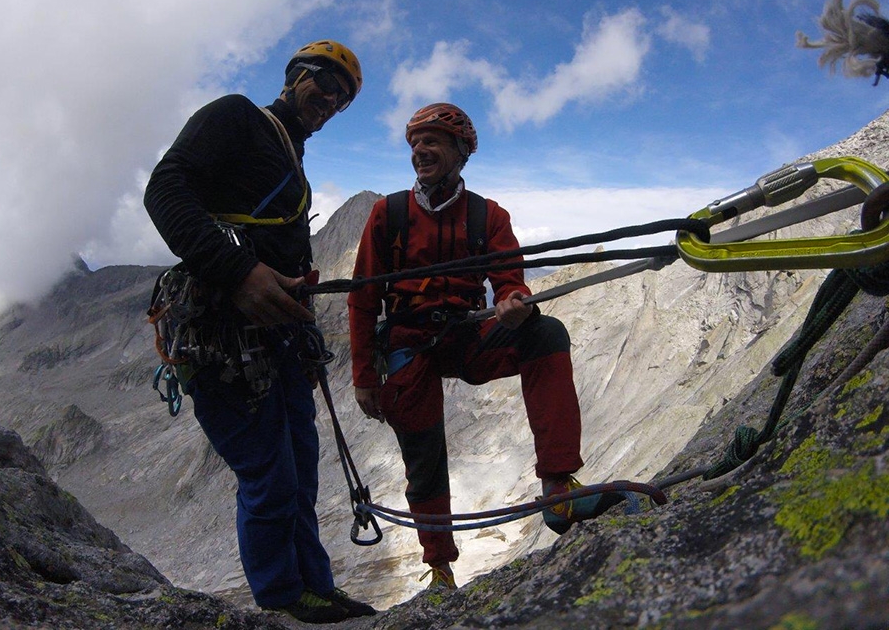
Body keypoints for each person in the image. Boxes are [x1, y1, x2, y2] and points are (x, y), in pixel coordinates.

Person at [347, 103, 626, 591]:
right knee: (424, 452)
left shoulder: (488, 216)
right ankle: (439, 567)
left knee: (545, 333)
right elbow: (363, 299)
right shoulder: (387, 214)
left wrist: (515, 302)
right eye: (415, 143)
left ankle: (558, 488)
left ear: (461, 152)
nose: (420, 151)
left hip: (466, 338)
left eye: (432, 142)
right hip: (408, 346)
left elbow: (509, 282)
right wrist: (364, 377)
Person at [144, 40, 375, 624]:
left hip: (277, 333)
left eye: (342, 99)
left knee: (297, 462)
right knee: (270, 473)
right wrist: (239, 271)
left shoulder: (288, 152)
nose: (330, 100)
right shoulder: (237, 116)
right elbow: (165, 190)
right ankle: (282, 602)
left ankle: (314, 587)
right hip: (221, 329)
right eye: (323, 83)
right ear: (296, 74)